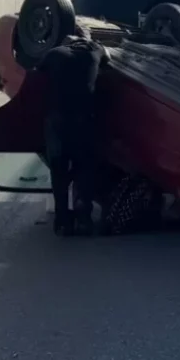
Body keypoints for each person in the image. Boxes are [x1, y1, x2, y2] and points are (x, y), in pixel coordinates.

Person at [36, 28, 109, 235]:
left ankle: (62, 220)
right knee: (85, 167)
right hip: (84, 120)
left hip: (57, 120)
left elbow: (37, 71)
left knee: (58, 169)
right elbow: (109, 59)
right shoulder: (94, 51)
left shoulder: (55, 53)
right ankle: (84, 215)